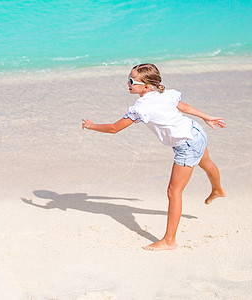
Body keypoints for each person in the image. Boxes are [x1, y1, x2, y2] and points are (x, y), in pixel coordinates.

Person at [80, 63, 227, 251]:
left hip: (186, 143)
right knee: (206, 164)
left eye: (132, 81)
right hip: (195, 131)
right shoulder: (164, 94)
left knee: (173, 192)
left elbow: (114, 128)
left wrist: (92, 126)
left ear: (146, 86)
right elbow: (184, 107)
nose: (128, 83)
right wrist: (206, 117)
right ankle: (218, 190)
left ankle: (169, 241)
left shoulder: (141, 107)